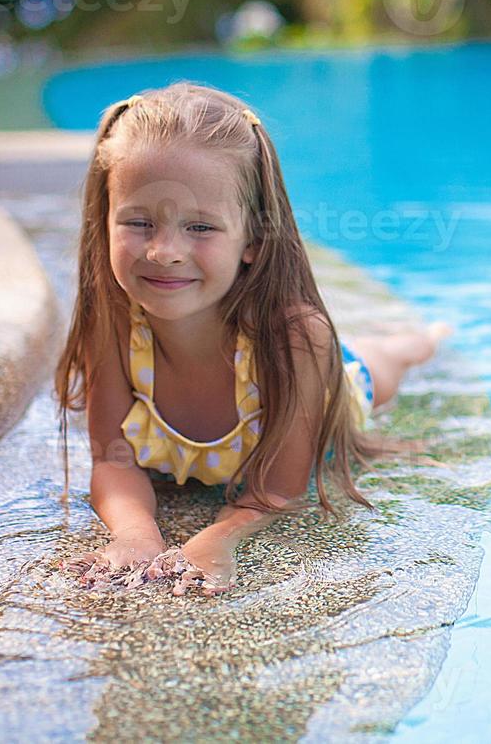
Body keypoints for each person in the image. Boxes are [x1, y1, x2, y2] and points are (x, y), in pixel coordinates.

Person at [53, 82, 451, 596]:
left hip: (331, 378)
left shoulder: (296, 341)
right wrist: (134, 536)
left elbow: (277, 490)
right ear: (103, 222)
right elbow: (112, 460)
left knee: (389, 359)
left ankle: (428, 336)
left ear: (252, 240)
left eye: (200, 227)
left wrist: (217, 538)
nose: (165, 251)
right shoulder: (112, 323)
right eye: (138, 221)